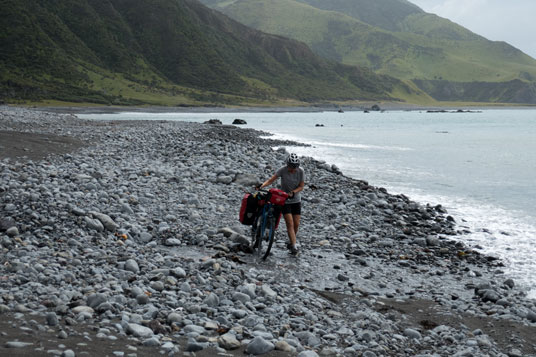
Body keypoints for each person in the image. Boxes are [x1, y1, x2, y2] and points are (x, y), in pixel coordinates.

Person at [257, 153, 305, 255]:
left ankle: (291, 241)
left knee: (296, 224)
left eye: (295, 167)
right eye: (291, 167)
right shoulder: (282, 170)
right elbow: (271, 180)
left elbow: (301, 186)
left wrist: (293, 192)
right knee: (290, 223)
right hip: (284, 200)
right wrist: (262, 186)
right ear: (287, 165)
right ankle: (294, 245)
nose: (293, 170)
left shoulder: (301, 171)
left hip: (296, 200)